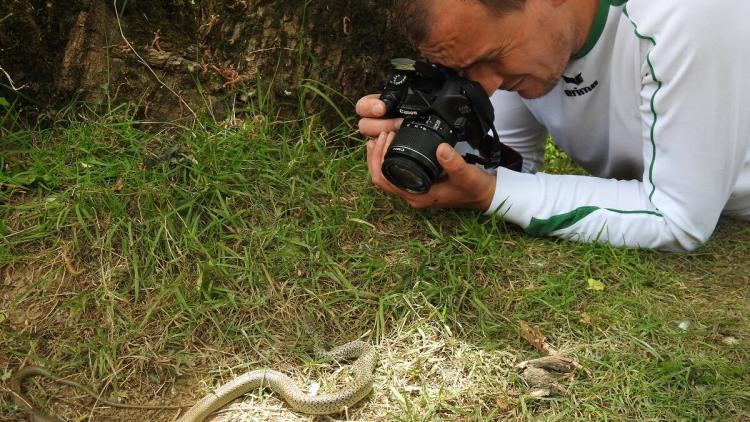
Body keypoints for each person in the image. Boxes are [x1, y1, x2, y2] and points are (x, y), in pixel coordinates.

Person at [357, 0, 750, 252]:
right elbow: (515, 167)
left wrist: (489, 194)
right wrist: (429, 141)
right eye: (466, 70)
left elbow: (677, 218)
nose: (487, 86)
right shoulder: (526, 39)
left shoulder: (686, 14)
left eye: (492, 58)